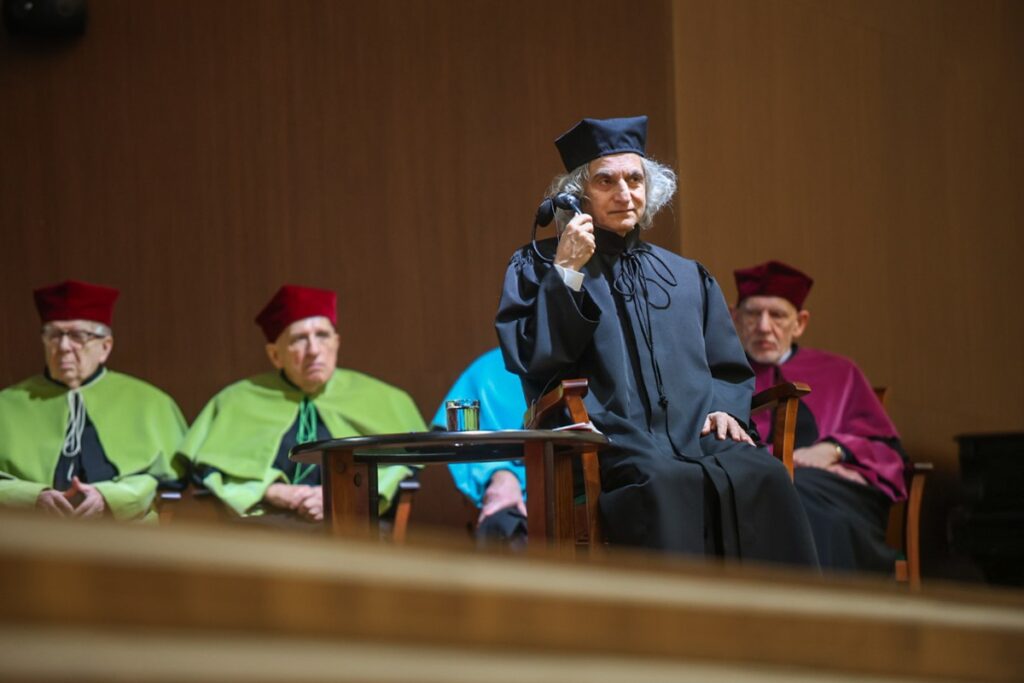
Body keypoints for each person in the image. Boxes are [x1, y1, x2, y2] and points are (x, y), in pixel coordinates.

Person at [495, 116, 818, 565]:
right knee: (664, 479)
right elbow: (533, 357)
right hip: (608, 439)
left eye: (635, 179)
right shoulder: (540, 265)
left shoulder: (687, 276)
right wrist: (567, 272)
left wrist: (725, 407)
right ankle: (674, 627)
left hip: (694, 431)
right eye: (606, 180)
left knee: (762, 473)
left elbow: (728, 366)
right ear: (577, 194)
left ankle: (779, 629)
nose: (624, 194)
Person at [179, 285, 425, 526]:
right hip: (265, 525)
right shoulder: (236, 400)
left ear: (336, 342)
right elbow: (208, 471)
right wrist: (269, 490)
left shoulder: (383, 397)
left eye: (322, 335)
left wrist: (340, 496)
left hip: (353, 523)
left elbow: (404, 464)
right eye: (299, 339)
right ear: (275, 355)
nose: (314, 350)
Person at [732, 260, 907, 572]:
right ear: (734, 317)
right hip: (754, 484)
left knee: (798, 500)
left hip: (830, 488)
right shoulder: (723, 375)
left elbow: (887, 449)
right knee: (775, 490)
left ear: (799, 322)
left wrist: (833, 450)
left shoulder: (840, 372)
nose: (763, 326)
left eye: (777, 315)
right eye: (753, 314)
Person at [0, 280, 186, 522]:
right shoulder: (7, 404)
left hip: (130, 541)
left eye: (78, 336)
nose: (64, 347)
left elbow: (169, 482)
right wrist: (32, 497)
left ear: (105, 347)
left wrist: (110, 498)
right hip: (29, 538)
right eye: (54, 335)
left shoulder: (151, 403)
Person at [431, 347, 527, 546]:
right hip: (508, 488)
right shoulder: (491, 368)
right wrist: (500, 473)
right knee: (501, 526)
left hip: (580, 482)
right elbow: (456, 436)